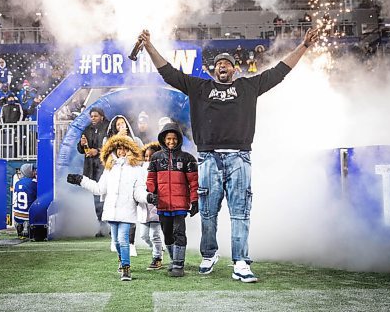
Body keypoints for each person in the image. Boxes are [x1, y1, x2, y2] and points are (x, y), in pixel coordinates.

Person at [137, 27, 319, 282]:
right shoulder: (198, 87)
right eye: (218, 63)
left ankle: (241, 262)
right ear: (214, 70)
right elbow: (168, 72)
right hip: (209, 157)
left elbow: (279, 72)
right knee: (209, 213)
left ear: (235, 69)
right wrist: (149, 46)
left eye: (227, 63)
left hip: (239, 158)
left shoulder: (248, 86)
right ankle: (209, 254)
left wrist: (304, 46)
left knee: (240, 212)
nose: (222, 66)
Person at [66, 135, 149, 281]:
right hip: (111, 211)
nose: (121, 152)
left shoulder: (137, 170)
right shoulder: (109, 169)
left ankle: (126, 268)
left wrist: (148, 197)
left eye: (125, 148)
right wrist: (81, 180)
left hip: (127, 210)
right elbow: (99, 189)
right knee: (116, 241)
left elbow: (139, 192)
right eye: (119, 149)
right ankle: (121, 259)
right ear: (114, 150)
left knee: (123, 239)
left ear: (130, 149)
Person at [146, 122, 199, 277]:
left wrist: (195, 201)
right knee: (167, 233)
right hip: (162, 204)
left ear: (179, 139)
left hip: (180, 205)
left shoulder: (188, 158)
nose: (171, 141)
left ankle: (178, 264)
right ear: (163, 139)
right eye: (168, 138)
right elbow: (151, 180)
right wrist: (151, 192)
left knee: (179, 232)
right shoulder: (155, 158)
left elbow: (194, 183)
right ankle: (172, 260)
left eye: (174, 138)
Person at [105, 114, 144, 255]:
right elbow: (106, 156)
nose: (122, 126)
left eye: (123, 123)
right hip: (115, 182)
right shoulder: (108, 141)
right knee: (114, 211)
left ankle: (131, 243)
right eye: (118, 125)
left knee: (131, 212)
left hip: (131, 181)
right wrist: (117, 139)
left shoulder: (136, 140)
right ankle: (114, 239)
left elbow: (141, 158)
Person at [76, 107, 110, 237]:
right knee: (96, 198)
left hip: (105, 167)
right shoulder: (87, 129)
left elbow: (112, 147)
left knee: (108, 196)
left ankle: (112, 226)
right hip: (92, 168)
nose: (93, 118)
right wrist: (81, 144)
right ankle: (101, 226)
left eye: (95, 116)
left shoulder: (108, 127)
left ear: (102, 116)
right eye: (91, 116)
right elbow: (81, 150)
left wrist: (98, 151)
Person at [139, 141, 163, 270]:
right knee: (144, 235)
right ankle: (157, 249)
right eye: (146, 157)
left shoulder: (160, 170)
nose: (148, 159)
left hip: (156, 209)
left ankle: (157, 257)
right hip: (144, 209)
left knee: (155, 235)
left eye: (151, 157)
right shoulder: (140, 170)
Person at [13, 163, 38, 239]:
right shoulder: (33, 183)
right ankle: (27, 227)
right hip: (28, 216)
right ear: (28, 172)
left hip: (17, 215)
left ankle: (19, 227)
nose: (35, 171)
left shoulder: (17, 183)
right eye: (33, 170)